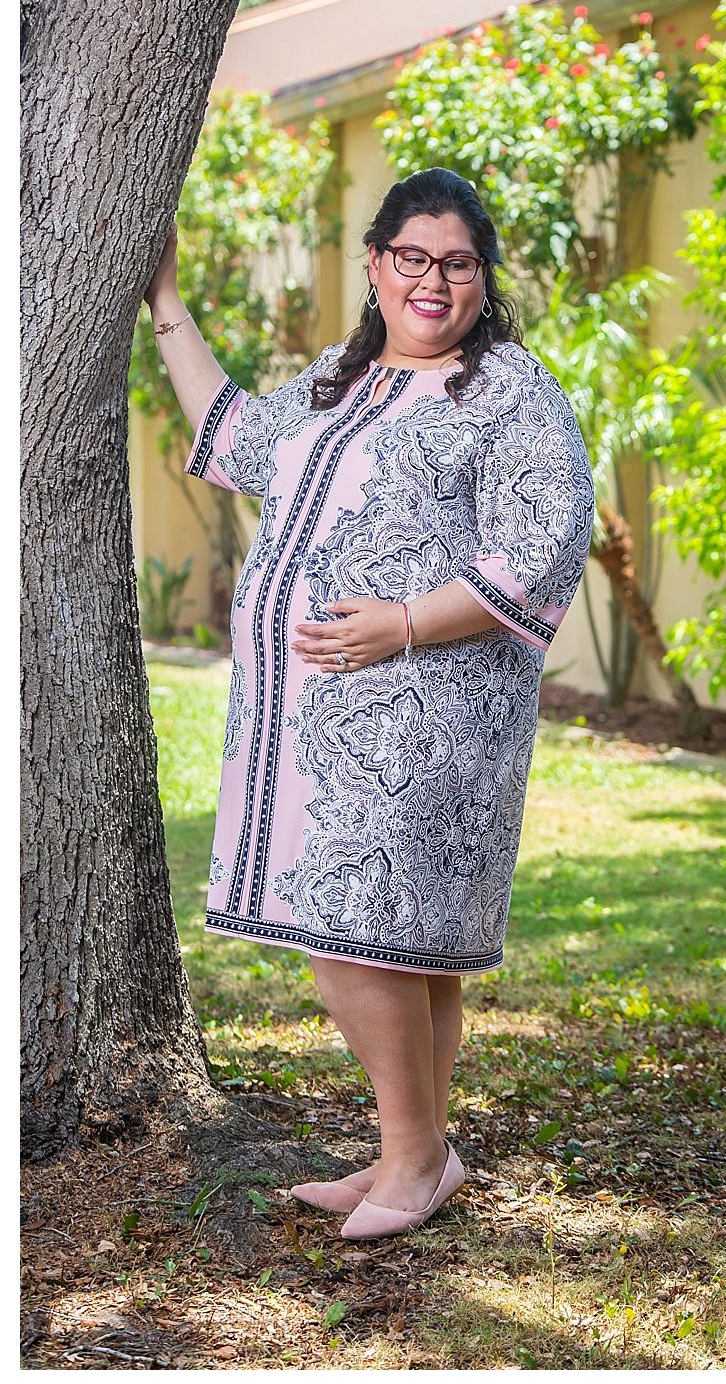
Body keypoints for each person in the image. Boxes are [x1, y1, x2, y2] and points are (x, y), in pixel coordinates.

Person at [144, 166, 595, 1239]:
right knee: (404, 944)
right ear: (376, 262)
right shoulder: (337, 378)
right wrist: (165, 303)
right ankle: (418, 1154)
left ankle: (412, 1158)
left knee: (353, 933)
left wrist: (401, 621)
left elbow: (546, 540)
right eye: (413, 258)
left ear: (483, 279)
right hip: (313, 721)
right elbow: (234, 440)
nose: (433, 281)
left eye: (458, 263)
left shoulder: (509, 389)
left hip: (424, 714)